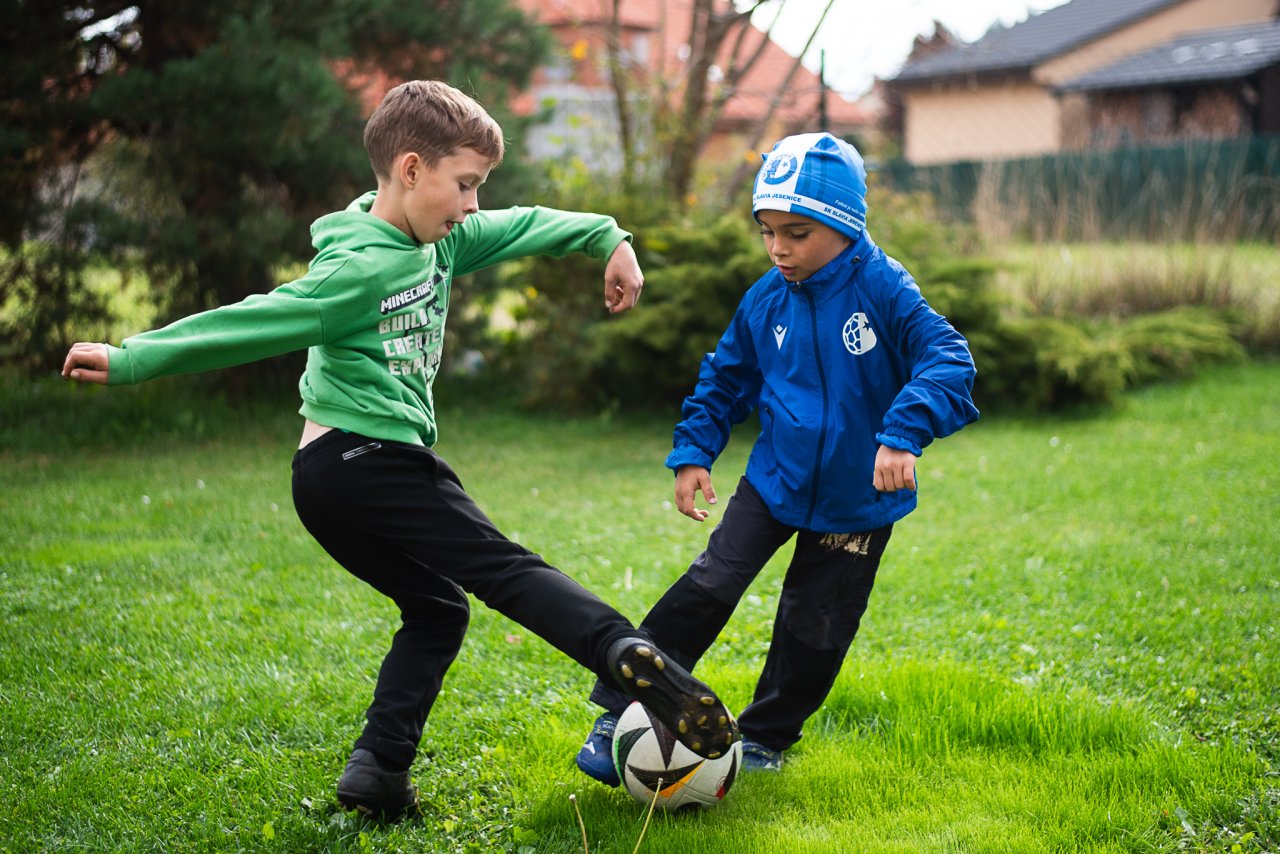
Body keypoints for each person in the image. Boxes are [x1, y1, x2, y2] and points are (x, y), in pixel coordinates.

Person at [62, 79, 737, 820]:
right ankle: (624, 653)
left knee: (438, 609)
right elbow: (253, 321)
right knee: (505, 568)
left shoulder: (437, 241)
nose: (473, 205)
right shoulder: (359, 269)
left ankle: (378, 772)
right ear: (411, 170)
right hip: (369, 461)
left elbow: (525, 225)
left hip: (324, 482)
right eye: (466, 184)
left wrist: (608, 238)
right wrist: (131, 358)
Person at [574, 132, 979, 785]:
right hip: (773, 482)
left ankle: (765, 737)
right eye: (767, 231)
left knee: (815, 626)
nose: (778, 249)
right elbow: (724, 379)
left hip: (857, 502)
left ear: (845, 225)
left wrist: (903, 433)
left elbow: (949, 359)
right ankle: (624, 708)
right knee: (708, 586)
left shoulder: (884, 288)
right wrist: (694, 451)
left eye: (797, 233)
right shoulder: (766, 298)